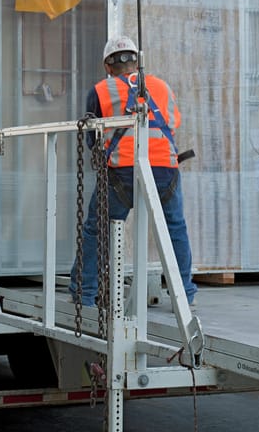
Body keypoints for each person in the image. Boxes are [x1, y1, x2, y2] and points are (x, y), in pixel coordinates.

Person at [69, 34, 197, 307]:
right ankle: (184, 294)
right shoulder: (161, 87)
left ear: (108, 66)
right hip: (165, 170)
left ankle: (85, 292)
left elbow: (93, 139)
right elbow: (173, 122)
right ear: (137, 61)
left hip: (122, 173)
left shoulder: (101, 91)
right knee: (175, 228)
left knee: (97, 229)